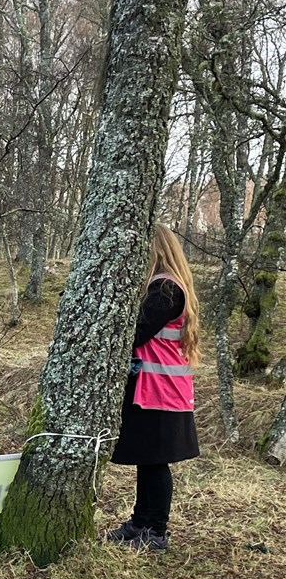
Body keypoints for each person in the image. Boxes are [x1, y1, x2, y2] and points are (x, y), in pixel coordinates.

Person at [106, 223, 200, 553]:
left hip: (160, 390)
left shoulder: (164, 290)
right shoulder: (164, 287)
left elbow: (137, 331)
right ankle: (141, 522)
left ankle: (155, 531)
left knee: (156, 462)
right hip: (156, 389)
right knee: (148, 460)